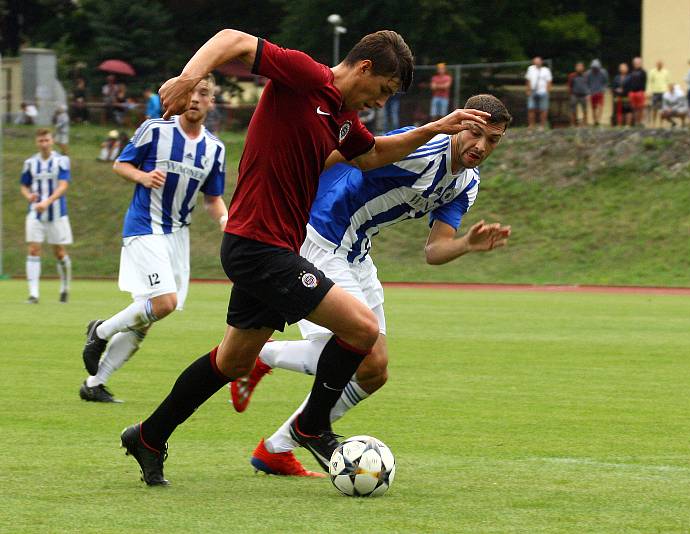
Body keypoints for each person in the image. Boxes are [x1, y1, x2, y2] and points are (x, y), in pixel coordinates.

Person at [111, 28, 488, 486]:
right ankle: (311, 426)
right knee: (362, 328)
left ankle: (148, 436)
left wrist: (431, 129)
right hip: (258, 244)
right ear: (365, 68)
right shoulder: (308, 76)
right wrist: (189, 78)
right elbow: (233, 39)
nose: (380, 101)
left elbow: (369, 157)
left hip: (273, 247)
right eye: (383, 90)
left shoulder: (342, 117)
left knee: (232, 362)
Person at [230, 94, 512, 477]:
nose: (481, 146)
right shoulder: (420, 148)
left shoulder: (466, 183)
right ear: (459, 123)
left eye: (492, 139)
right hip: (322, 237)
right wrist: (289, 199)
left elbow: (434, 251)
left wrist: (467, 245)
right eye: (475, 133)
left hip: (356, 251)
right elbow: (346, 153)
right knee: (354, 353)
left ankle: (277, 448)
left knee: (374, 372)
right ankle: (262, 356)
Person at [79, 74, 228, 404]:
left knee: (147, 319)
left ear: (211, 101)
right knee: (165, 303)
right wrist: (143, 176)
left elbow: (212, 197)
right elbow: (121, 165)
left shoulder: (214, 149)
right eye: (189, 92)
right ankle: (100, 331)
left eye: (202, 93)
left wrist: (224, 219)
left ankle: (94, 384)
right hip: (144, 227)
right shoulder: (155, 130)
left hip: (177, 237)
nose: (194, 98)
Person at [19, 128, 73, 304]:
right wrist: (29, 197)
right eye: (41, 141)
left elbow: (63, 185)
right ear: (37, 142)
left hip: (57, 213)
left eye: (46, 140)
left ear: (52, 141)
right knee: (33, 249)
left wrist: (47, 202)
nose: (44, 144)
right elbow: (24, 186)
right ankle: (33, 294)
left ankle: (65, 288)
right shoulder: (30, 163)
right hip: (35, 214)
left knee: (59, 252)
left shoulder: (61, 161)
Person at [525, 56, 552, 130]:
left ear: (541, 62)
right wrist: (528, 90)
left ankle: (542, 126)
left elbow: (549, 81)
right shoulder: (530, 69)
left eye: (538, 61)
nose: (537, 63)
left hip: (543, 92)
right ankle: (531, 125)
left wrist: (547, 91)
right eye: (535, 61)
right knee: (531, 108)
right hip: (532, 91)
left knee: (543, 109)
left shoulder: (546, 70)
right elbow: (528, 80)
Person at [567, 62, 589, 126]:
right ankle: (573, 123)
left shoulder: (586, 76)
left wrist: (588, 94)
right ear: (575, 68)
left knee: (584, 109)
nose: (579, 68)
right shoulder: (572, 75)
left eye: (581, 66)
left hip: (584, 95)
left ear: (583, 68)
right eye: (578, 66)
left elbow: (588, 85)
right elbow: (569, 85)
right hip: (574, 95)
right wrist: (570, 94)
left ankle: (585, 123)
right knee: (573, 110)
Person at [647, 60, 669, 125]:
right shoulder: (652, 72)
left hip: (663, 92)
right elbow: (649, 82)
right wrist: (648, 91)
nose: (659, 65)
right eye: (658, 64)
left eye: (661, 64)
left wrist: (667, 92)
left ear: (662, 65)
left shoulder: (666, 72)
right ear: (656, 65)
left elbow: (668, 82)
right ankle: (653, 123)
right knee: (654, 108)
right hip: (655, 92)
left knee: (662, 109)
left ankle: (661, 124)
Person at [587, 59, 608, 126]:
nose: (595, 68)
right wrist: (588, 91)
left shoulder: (603, 72)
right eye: (594, 67)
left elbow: (606, 81)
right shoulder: (588, 73)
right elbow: (587, 83)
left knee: (600, 106)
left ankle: (598, 120)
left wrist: (603, 89)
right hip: (592, 92)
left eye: (596, 67)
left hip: (600, 91)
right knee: (593, 107)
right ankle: (595, 120)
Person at [627, 57, 647, 126]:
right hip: (632, 92)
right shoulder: (631, 72)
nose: (637, 64)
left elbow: (645, 82)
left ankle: (640, 122)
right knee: (634, 108)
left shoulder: (643, 72)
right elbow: (629, 82)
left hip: (640, 92)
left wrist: (643, 91)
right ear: (633, 64)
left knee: (640, 108)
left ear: (640, 63)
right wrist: (630, 91)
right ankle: (635, 122)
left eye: (638, 63)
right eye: (635, 63)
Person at [611, 63, 631, 127]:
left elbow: (631, 87)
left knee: (627, 110)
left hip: (627, 96)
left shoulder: (630, 77)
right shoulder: (616, 77)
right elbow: (613, 87)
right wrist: (616, 90)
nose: (622, 69)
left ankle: (627, 124)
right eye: (621, 67)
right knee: (619, 111)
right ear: (619, 69)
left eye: (624, 67)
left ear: (627, 69)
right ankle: (619, 124)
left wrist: (624, 90)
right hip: (618, 96)